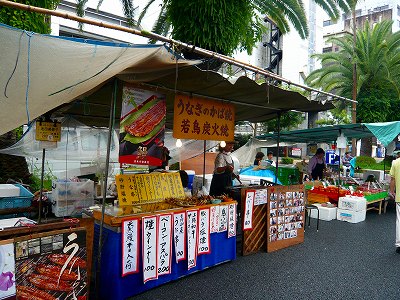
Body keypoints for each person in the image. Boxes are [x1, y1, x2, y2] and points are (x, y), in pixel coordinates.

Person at [389, 152, 400, 253]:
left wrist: (391, 192)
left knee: (399, 221)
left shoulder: (395, 163)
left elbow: (392, 179)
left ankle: (399, 244)